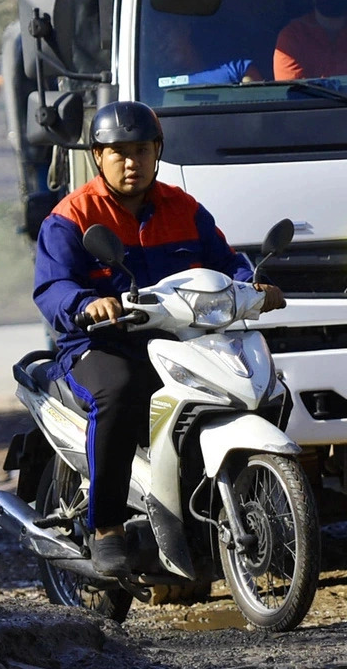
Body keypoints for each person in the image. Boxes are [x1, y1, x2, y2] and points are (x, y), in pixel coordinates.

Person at [31, 101, 287, 576]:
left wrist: (253, 285)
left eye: (142, 150)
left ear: (158, 152)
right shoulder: (73, 216)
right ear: (97, 156)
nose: (131, 162)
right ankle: (107, 525)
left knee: (260, 383)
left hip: (179, 339)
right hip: (100, 344)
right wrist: (87, 304)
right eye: (119, 152)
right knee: (121, 390)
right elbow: (52, 288)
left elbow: (225, 262)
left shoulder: (183, 208)